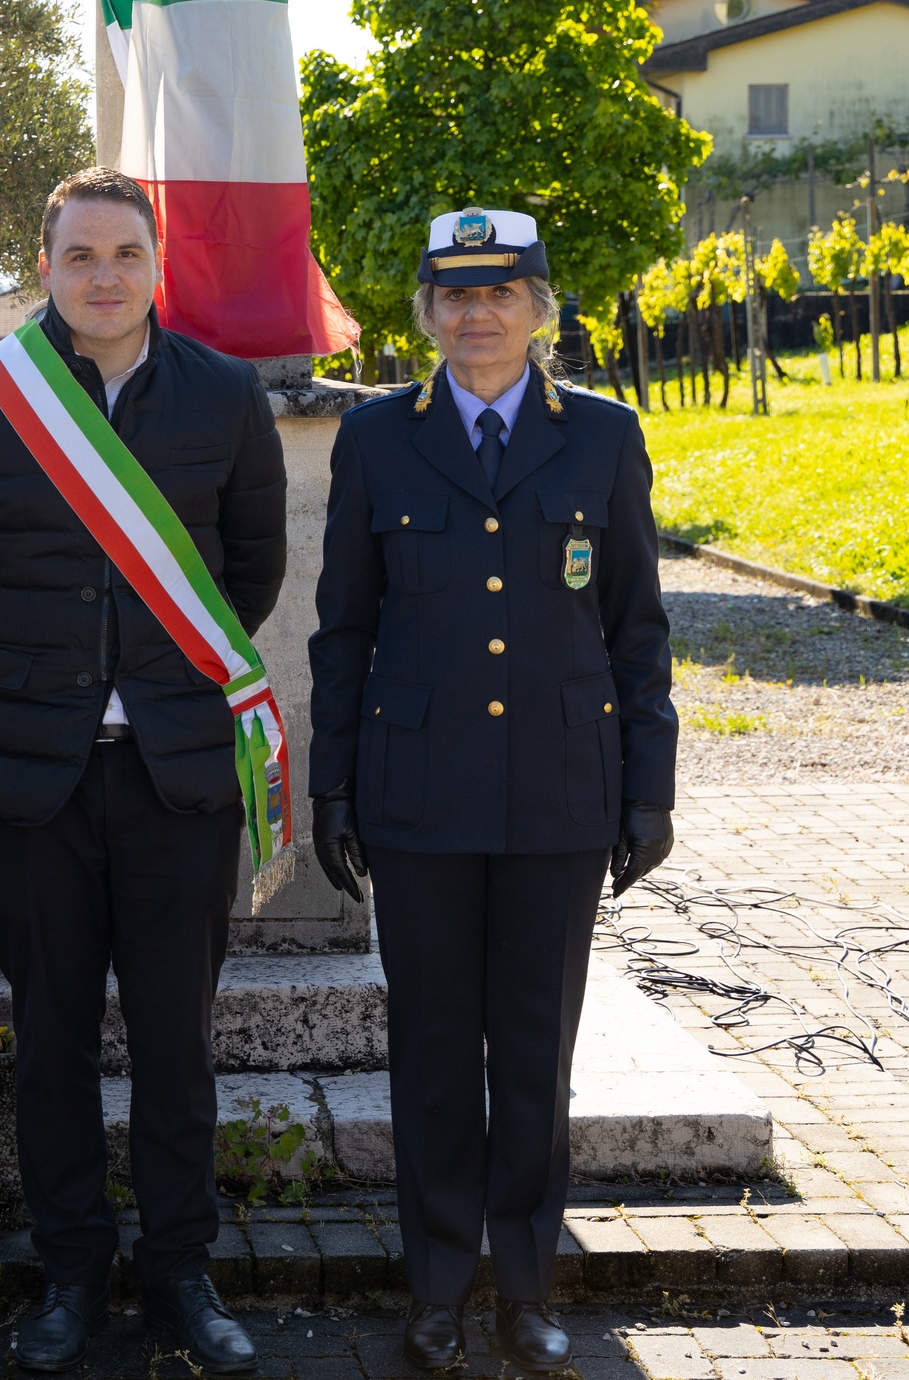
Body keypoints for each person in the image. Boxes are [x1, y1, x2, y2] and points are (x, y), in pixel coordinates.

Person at [0, 167, 287, 1375]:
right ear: (45, 267)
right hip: (35, 782)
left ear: (154, 264)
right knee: (54, 1042)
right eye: (79, 257)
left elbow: (250, 574)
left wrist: (160, 678)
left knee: (175, 1044)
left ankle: (179, 1272)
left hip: (176, 778)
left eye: (125, 254)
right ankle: (70, 1272)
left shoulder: (225, 398)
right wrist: (41, 683)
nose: (103, 277)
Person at [307, 208, 677, 1374]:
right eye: (453, 295)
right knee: (426, 1051)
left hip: (557, 792)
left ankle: (521, 1287)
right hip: (415, 794)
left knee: (531, 1050)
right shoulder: (375, 438)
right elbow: (341, 631)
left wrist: (647, 788)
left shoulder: (602, 438)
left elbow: (634, 626)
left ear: (539, 308)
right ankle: (431, 1288)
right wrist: (331, 789)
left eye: (500, 292)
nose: (476, 314)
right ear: (424, 310)